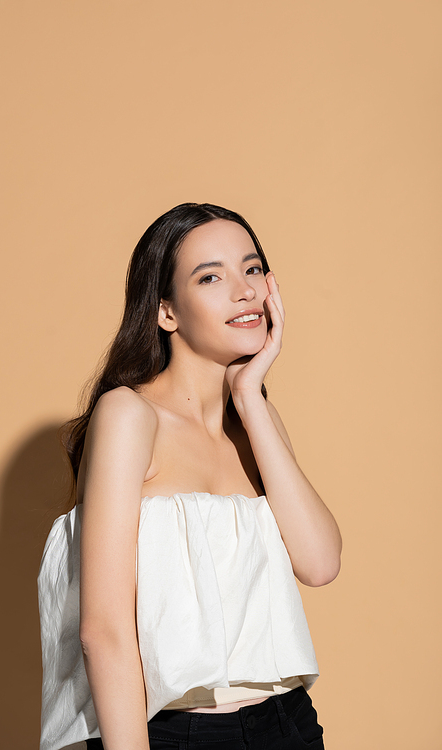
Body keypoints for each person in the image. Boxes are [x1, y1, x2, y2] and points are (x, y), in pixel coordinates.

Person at [37, 202, 342, 750]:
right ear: (166, 312)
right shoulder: (129, 416)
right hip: (178, 732)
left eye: (252, 269)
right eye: (210, 277)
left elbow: (319, 564)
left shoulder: (255, 419)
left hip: (288, 723)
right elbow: (103, 633)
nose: (245, 291)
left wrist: (250, 394)